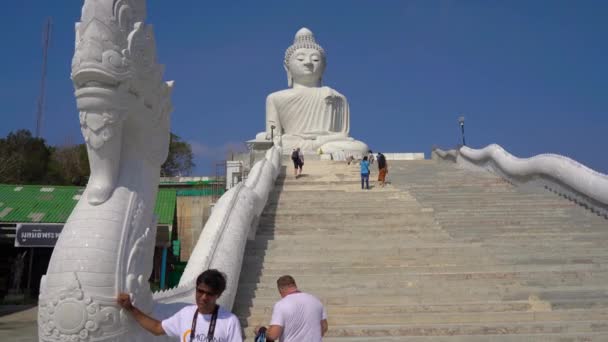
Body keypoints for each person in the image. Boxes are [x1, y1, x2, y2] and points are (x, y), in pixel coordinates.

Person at [253, 27, 368, 157]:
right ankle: (324, 149)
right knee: (270, 140)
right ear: (287, 67)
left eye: (315, 59)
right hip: (294, 142)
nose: (308, 63)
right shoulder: (275, 98)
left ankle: (324, 149)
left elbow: (342, 135)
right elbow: (274, 135)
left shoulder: (336, 97)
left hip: (328, 141)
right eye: (300, 59)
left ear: (324, 67)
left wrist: (325, 139)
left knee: (361, 147)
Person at [117, 269, 242, 341]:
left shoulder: (230, 321)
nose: (203, 297)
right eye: (200, 291)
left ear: (218, 295)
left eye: (209, 294)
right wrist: (131, 308)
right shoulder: (186, 314)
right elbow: (157, 328)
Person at [255, 275, 328, 342]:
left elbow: (273, 335)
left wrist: (262, 331)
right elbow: (324, 327)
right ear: (295, 285)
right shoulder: (315, 300)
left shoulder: (281, 304)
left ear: (281, 290)